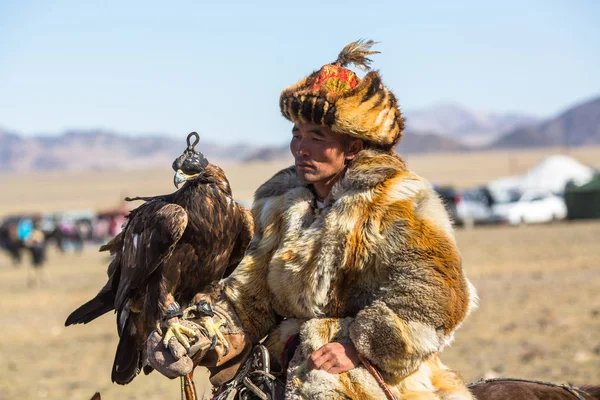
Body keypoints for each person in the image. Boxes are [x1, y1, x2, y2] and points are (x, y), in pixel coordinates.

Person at [149, 40, 478, 399]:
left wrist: (359, 345)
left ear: (352, 147)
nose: (300, 148)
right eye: (296, 134)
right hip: (285, 363)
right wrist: (202, 336)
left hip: (377, 374)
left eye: (316, 136)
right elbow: (249, 294)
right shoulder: (277, 204)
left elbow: (437, 297)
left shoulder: (400, 201)